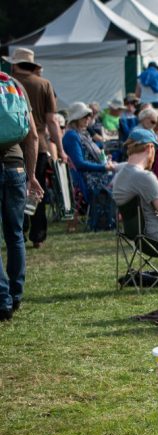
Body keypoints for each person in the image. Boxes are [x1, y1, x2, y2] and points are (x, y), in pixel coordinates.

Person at [6, 48, 66, 249]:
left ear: (15, 64)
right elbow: (52, 122)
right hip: (38, 145)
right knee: (36, 191)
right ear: (32, 65)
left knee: (14, 193)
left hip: (10, 146)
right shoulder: (44, 84)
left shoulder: (7, 83)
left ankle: (18, 233)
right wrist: (61, 149)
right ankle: (38, 235)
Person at [0, 69, 43, 320]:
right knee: (15, 234)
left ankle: (2, 300)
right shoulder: (13, 84)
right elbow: (33, 135)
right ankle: (15, 295)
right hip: (16, 166)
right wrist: (32, 174)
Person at [111, 128, 158, 245]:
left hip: (137, 237)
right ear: (149, 148)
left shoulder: (119, 176)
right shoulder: (145, 177)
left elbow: (145, 213)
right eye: (155, 149)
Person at [63, 102, 117, 222]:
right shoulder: (71, 136)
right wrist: (104, 167)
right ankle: (117, 216)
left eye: (89, 115)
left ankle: (117, 215)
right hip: (87, 178)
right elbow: (80, 164)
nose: (89, 118)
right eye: (85, 116)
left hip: (92, 175)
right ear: (76, 118)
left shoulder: (79, 133)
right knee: (123, 177)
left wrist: (104, 160)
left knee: (123, 173)